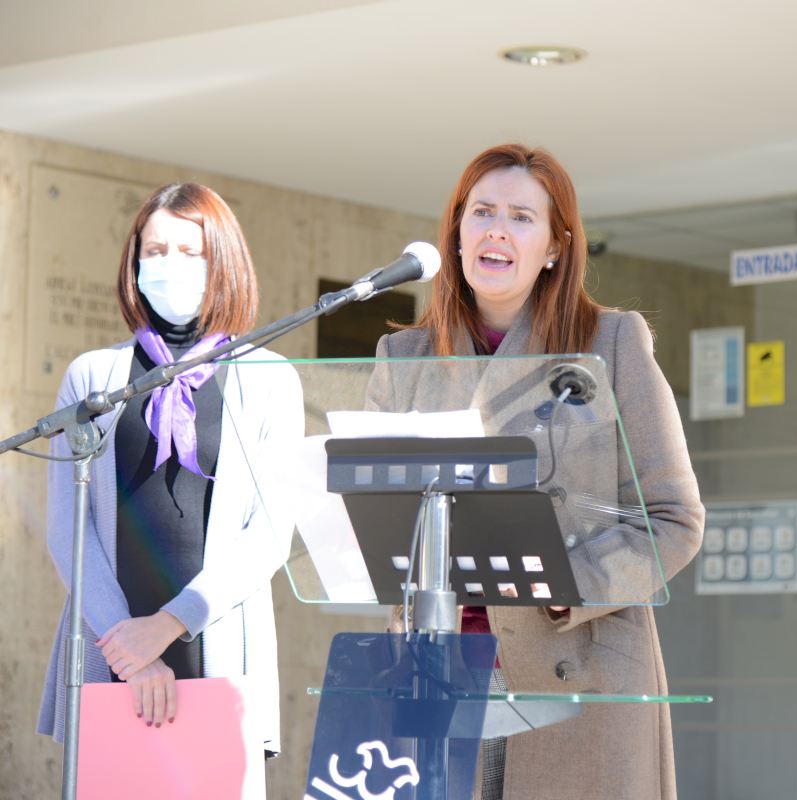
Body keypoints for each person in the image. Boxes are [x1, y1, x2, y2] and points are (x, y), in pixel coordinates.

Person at [367, 144, 704, 800]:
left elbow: (674, 519)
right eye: (482, 212)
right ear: (457, 232)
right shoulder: (402, 355)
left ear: (554, 247)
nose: (496, 230)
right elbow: (374, 516)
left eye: (521, 217)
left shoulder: (611, 342)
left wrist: (561, 585)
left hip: (578, 676)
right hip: (439, 677)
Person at [38, 182, 302, 759]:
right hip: (110, 647)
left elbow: (269, 534)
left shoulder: (269, 378)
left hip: (217, 643)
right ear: (134, 264)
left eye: (190, 251)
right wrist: (130, 652)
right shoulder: (93, 377)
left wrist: (166, 626)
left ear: (223, 261)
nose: (169, 265)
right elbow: (68, 530)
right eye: (154, 251)